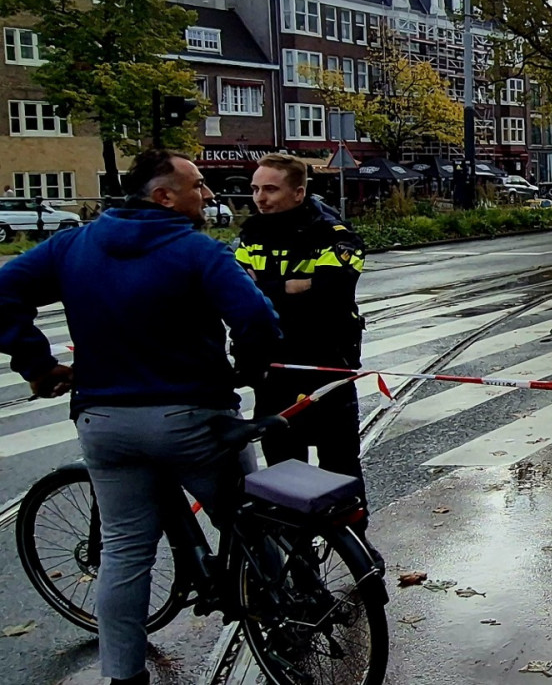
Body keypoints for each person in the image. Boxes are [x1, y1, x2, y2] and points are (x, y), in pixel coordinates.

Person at [0, 150, 280, 685]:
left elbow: (2, 293)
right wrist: (245, 372)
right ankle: (285, 617)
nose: (208, 194)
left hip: (106, 421)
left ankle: (124, 676)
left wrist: (35, 364)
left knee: (126, 551)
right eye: (198, 185)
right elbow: (256, 320)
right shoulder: (198, 251)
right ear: (164, 196)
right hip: (194, 418)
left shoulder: (72, 245)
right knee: (247, 518)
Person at [235, 154, 369, 516]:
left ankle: (360, 558)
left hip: (326, 368)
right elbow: (238, 295)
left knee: (340, 470)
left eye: (270, 189)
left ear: (298, 192)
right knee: (282, 474)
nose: (260, 198)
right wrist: (292, 287)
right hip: (272, 371)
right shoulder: (251, 233)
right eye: (255, 189)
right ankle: (296, 559)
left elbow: (329, 296)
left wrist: (266, 289)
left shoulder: (333, 234)